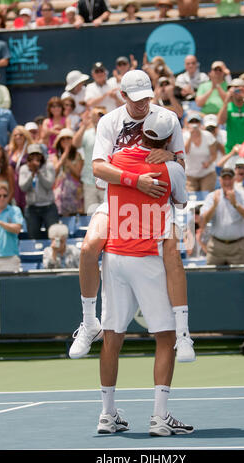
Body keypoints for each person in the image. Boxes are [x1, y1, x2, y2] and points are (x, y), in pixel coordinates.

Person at [69, 70, 194, 364]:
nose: (142, 105)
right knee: (88, 248)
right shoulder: (108, 122)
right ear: (122, 96)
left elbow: (182, 164)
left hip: (157, 204)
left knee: (174, 256)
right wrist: (135, 181)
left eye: (147, 98)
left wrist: (171, 158)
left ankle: (184, 334)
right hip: (116, 201)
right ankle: (89, 324)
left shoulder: (167, 119)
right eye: (136, 100)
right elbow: (98, 169)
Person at [97, 110, 195, 436]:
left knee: (112, 337)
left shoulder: (115, 160)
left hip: (114, 257)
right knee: (165, 337)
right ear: (167, 139)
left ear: (141, 132)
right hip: (147, 255)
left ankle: (107, 414)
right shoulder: (171, 169)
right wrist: (173, 160)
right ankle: (160, 416)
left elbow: (100, 173)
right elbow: (180, 201)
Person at [200, 167, 244, 266]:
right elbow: (203, 221)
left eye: (230, 178)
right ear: (220, 180)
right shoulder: (212, 196)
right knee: (212, 278)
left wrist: (235, 204)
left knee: (239, 280)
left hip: (238, 247)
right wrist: (214, 206)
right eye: (224, 179)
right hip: (216, 246)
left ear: (234, 179)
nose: (227, 182)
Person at [18, 143, 58, 239]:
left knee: (54, 235)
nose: (35, 158)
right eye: (32, 155)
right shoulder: (24, 169)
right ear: (28, 157)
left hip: (49, 207)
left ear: (42, 155)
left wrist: (38, 172)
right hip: (32, 208)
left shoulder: (48, 166)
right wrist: (32, 174)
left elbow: (49, 184)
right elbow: (23, 187)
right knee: (33, 237)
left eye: (37, 155)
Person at [72, 107, 106, 214]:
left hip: (106, 179)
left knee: (107, 212)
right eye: (95, 115)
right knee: (90, 214)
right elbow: (75, 144)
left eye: (101, 115)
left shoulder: (110, 133)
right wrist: (84, 126)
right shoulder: (87, 133)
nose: (98, 117)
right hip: (89, 180)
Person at [0, 180, 23, 273]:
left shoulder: (15, 210)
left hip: (10, 258)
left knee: (11, 287)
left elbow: (17, 229)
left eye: (5, 195)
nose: (2, 198)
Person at [52, 128, 84, 217]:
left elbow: (78, 173)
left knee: (75, 216)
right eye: (63, 138)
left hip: (74, 192)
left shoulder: (78, 155)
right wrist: (64, 155)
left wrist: (67, 161)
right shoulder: (55, 156)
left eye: (68, 138)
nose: (65, 140)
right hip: (59, 192)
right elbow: (55, 171)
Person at [183, 111, 217, 192]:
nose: (194, 124)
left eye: (196, 121)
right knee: (191, 199)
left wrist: (208, 162)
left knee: (206, 197)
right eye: (192, 122)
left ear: (200, 124)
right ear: (188, 124)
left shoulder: (208, 135)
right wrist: (191, 136)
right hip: (190, 175)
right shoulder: (184, 136)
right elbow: (185, 152)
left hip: (207, 174)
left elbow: (214, 155)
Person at [8, 125, 33, 212]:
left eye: (20, 135)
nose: (18, 137)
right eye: (15, 135)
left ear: (25, 136)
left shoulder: (30, 150)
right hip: (13, 186)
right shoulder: (11, 151)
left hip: (25, 184)